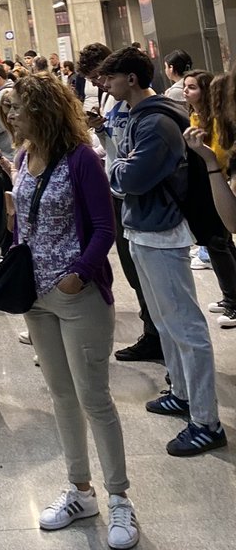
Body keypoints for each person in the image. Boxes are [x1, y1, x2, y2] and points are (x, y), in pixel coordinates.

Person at [6, 74, 139, 548]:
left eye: (19, 106)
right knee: (61, 397)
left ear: (42, 109)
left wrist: (78, 272)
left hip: (77, 295)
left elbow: (105, 228)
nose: (12, 114)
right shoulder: (23, 156)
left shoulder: (82, 159)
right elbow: (25, 219)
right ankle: (80, 489)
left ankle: (120, 498)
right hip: (37, 299)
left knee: (95, 398)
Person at [103, 47, 226, 457]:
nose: (105, 84)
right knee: (165, 320)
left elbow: (130, 177)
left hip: (163, 230)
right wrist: (119, 169)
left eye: (111, 78)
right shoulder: (142, 116)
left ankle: (207, 421)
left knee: (186, 326)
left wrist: (115, 168)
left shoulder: (155, 121)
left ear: (132, 79)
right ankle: (182, 392)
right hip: (144, 227)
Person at [77, 43, 163, 365]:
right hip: (119, 193)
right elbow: (116, 148)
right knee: (134, 272)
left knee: (156, 284)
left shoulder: (151, 111)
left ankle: (160, 339)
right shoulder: (112, 100)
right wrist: (101, 129)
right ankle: (153, 333)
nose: (102, 82)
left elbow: (134, 160)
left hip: (139, 200)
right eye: (98, 78)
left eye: (105, 76)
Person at [182, 70, 236, 327]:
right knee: (219, 243)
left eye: (192, 87)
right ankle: (230, 297)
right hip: (208, 187)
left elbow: (219, 156)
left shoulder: (218, 122)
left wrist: (207, 158)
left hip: (217, 183)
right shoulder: (194, 117)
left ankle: (233, 300)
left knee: (218, 243)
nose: (186, 92)